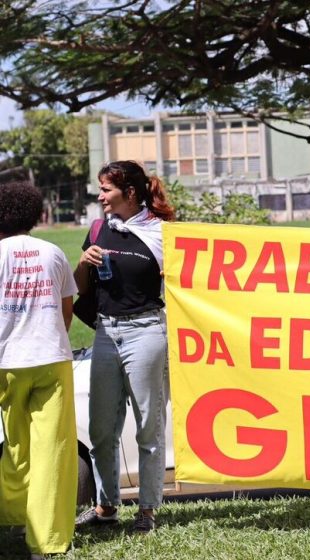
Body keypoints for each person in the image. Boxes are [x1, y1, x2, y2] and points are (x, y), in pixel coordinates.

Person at [73, 161, 175, 534]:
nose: (100, 196)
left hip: (147, 331)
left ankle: (147, 511)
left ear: (129, 192)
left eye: (105, 189)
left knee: (148, 427)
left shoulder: (162, 233)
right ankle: (106, 506)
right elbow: (81, 288)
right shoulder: (100, 228)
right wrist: (84, 261)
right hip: (104, 332)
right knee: (101, 428)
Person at [0, 181, 78, 559]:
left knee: (15, 445)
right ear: (36, 215)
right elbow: (67, 309)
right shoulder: (53, 252)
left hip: (6, 362)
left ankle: (12, 517)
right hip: (51, 357)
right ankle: (45, 540)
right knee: (52, 450)